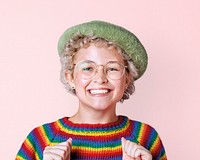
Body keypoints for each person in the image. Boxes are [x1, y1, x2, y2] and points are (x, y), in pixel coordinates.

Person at [16, 20, 167, 160]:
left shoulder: (146, 138)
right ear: (70, 77)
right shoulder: (41, 139)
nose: (100, 78)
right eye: (88, 68)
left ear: (127, 78)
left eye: (112, 68)